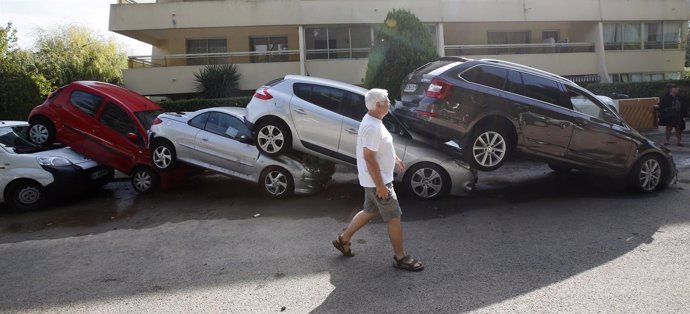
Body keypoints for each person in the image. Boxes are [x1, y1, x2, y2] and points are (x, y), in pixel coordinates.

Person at [332, 88, 424, 272]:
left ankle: (343, 239)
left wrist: (394, 158)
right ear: (377, 105)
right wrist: (381, 186)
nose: (389, 103)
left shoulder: (374, 120)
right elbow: (369, 157)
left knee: (370, 211)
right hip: (378, 182)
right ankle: (400, 257)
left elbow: (379, 148)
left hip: (374, 180)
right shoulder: (372, 126)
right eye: (386, 100)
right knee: (394, 216)